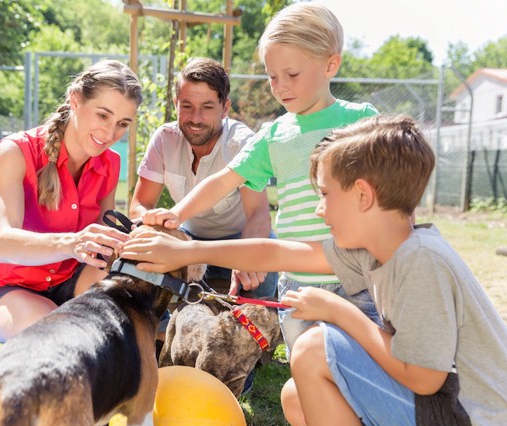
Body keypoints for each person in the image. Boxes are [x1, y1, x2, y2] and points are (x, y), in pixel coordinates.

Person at [120, 115, 507, 426]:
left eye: (326, 195)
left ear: (363, 195)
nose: (319, 209)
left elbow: (424, 378)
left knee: (314, 347)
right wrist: (188, 249)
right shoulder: (379, 250)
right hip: (455, 424)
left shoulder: (419, 260)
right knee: (298, 399)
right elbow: (279, 251)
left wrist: (338, 311)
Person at [140, 3, 380, 358]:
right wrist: (176, 213)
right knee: (309, 366)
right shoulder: (273, 135)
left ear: (331, 64)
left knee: (364, 366)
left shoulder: (361, 121)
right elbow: (223, 181)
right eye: (271, 76)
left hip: (358, 279)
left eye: (292, 75)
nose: (280, 87)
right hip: (298, 283)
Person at [0, 60, 142, 343]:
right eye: (103, 116)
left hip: (72, 282)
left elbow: (101, 252)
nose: (109, 134)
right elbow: (2, 244)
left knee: (125, 329)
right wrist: (72, 243)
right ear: (75, 100)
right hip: (9, 290)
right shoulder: (16, 152)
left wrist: (139, 242)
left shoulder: (110, 163)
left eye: (122, 124)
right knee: (62, 338)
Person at [129, 57, 277, 298]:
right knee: (141, 246)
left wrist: (246, 256)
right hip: (188, 238)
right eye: (187, 106)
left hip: (240, 239)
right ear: (175, 103)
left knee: (263, 257)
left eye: (207, 107)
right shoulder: (164, 139)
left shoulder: (242, 143)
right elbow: (138, 206)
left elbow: (259, 214)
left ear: (225, 108)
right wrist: (155, 221)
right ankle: (159, 328)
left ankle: (258, 323)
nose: (196, 118)